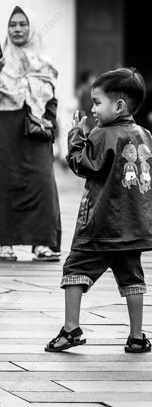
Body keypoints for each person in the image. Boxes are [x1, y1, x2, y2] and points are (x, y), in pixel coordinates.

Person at [46, 68, 152, 354]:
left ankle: (71, 329)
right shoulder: (145, 135)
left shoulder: (103, 134)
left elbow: (84, 165)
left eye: (96, 102)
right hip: (133, 226)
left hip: (100, 224)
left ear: (118, 106)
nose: (92, 109)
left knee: (75, 269)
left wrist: (75, 137)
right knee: (133, 278)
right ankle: (137, 336)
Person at [0, 5, 62, 262]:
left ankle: (42, 244)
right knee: (3, 187)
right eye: (13, 25)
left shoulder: (45, 63)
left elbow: (52, 101)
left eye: (23, 24)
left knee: (42, 185)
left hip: (35, 133)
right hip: (1, 133)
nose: (18, 29)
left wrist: (48, 126)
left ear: (31, 28)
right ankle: (5, 243)